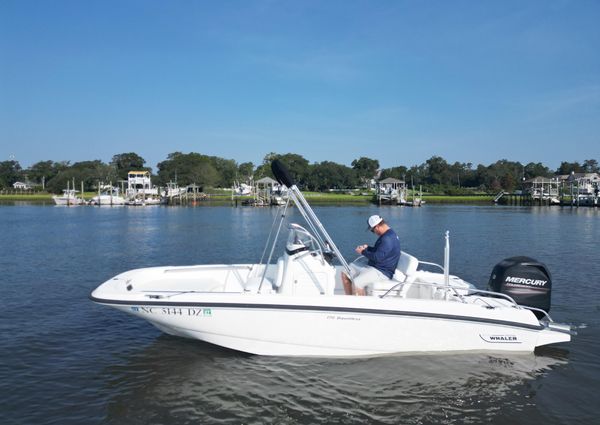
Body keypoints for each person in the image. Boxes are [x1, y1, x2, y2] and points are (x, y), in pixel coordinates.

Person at [342, 215, 401, 296]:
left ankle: (361, 307)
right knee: (345, 273)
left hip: (382, 272)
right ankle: (350, 300)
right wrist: (368, 248)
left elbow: (377, 258)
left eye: (372, 230)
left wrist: (363, 252)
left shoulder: (387, 238)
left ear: (376, 227)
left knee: (357, 283)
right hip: (374, 267)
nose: (374, 233)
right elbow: (381, 251)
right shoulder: (387, 234)